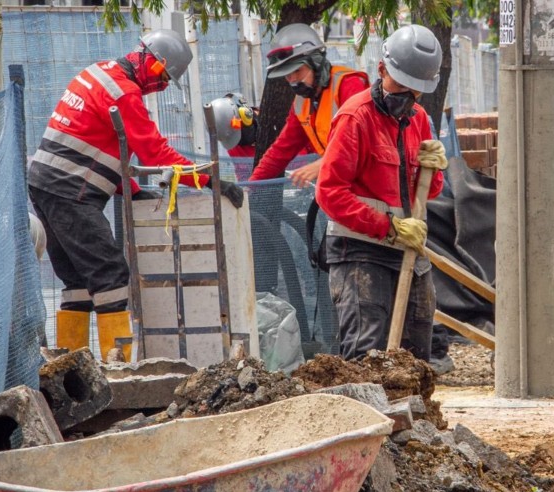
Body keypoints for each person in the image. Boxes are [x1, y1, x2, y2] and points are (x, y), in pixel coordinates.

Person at [28, 29, 243, 361]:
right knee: (111, 276)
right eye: (161, 75)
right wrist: (211, 180)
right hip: (71, 192)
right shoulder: (125, 94)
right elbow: (156, 154)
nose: (160, 84)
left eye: (166, 80)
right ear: (147, 58)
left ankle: (67, 369)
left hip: (46, 184)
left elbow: (97, 145)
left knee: (77, 281)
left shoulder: (97, 73)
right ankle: (120, 373)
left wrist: (133, 190)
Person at [315, 24, 447, 361]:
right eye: (400, 85)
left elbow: (425, 193)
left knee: (416, 355)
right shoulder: (355, 118)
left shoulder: (417, 119)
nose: (406, 96)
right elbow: (329, 193)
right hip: (360, 251)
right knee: (365, 354)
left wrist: (434, 170)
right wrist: (387, 225)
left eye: (414, 90)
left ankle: (413, 414)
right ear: (382, 70)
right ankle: (369, 415)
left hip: (408, 251)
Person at [248, 23, 370, 186]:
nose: (292, 80)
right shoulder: (301, 103)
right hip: (345, 184)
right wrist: (250, 187)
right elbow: (281, 150)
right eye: (287, 75)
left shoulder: (349, 85)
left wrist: (322, 164)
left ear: (316, 62)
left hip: (372, 183)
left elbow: (362, 141)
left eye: (297, 71)